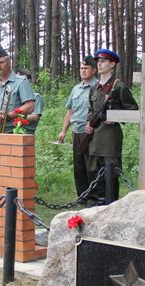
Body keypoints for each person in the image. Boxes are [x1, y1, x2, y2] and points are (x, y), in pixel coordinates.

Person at [86, 48, 138, 204]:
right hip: (94, 137)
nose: (99, 64)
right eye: (98, 62)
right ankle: (97, 203)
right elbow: (91, 109)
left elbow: (133, 110)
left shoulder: (118, 86)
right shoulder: (94, 87)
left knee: (110, 173)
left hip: (110, 137)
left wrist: (116, 117)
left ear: (112, 64)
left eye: (103, 61)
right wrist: (88, 123)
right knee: (94, 172)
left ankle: (111, 204)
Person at [57, 56, 99, 198]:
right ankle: (82, 196)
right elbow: (70, 111)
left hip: (91, 133)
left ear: (93, 70)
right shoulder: (76, 89)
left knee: (91, 166)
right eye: (81, 68)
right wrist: (63, 131)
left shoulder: (98, 87)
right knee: (79, 165)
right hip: (76, 131)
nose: (83, 70)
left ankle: (93, 196)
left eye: (86, 68)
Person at [0, 46, 35, 134]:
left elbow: (29, 106)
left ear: (8, 62)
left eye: (1, 62)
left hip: (14, 135)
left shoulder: (21, 82)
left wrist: (8, 115)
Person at [16, 69, 43, 134]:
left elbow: (35, 117)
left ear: (29, 82)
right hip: (11, 133)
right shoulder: (14, 97)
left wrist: (15, 119)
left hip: (27, 133)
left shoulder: (36, 97)